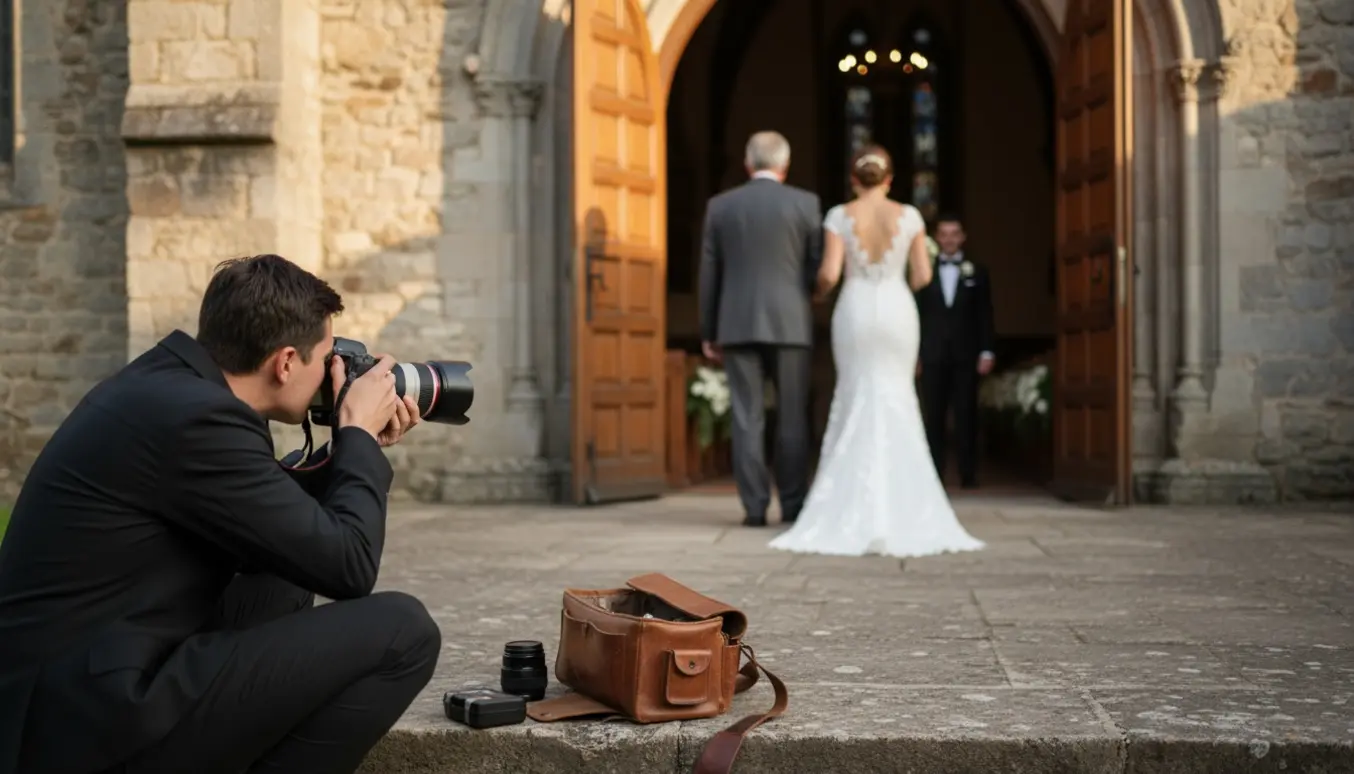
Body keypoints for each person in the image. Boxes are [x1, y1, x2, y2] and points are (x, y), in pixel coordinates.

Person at [0, 254, 440, 774]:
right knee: (404, 631)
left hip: (81, 678)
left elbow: (278, 521)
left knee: (282, 578)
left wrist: (350, 450)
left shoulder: (173, 386)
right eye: (326, 358)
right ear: (285, 362)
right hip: (79, 724)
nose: (333, 373)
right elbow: (351, 566)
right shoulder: (197, 418)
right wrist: (358, 436)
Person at [768, 146, 984, 559]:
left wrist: (817, 292)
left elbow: (830, 273)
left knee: (854, 395)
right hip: (897, 311)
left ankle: (846, 504)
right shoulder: (910, 216)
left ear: (853, 180)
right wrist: (896, 280)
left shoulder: (839, 215)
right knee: (898, 396)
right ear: (889, 180)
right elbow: (922, 274)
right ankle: (905, 507)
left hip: (856, 309)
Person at [698, 130, 824, 528]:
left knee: (746, 417)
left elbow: (709, 273)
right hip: (790, 324)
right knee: (792, 417)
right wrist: (801, 298)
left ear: (747, 163)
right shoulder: (806, 204)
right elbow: (816, 266)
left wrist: (709, 329)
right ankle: (792, 505)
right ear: (785, 165)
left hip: (736, 323)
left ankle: (754, 508)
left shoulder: (721, 206)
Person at [916, 213, 996, 488]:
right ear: (937, 238)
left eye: (954, 234)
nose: (949, 240)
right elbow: (917, 314)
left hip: (966, 354)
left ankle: (968, 474)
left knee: (966, 415)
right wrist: (915, 354)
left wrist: (987, 351)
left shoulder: (978, 272)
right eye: (944, 234)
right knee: (933, 416)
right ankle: (934, 475)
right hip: (932, 354)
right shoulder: (924, 271)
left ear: (963, 238)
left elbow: (985, 313)